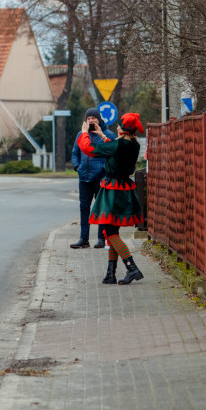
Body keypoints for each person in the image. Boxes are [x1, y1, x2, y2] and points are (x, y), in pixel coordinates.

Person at [75, 113, 146, 285]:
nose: (117, 127)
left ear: (124, 129)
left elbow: (89, 149)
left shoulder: (118, 145)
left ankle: (131, 267)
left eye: (120, 125)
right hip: (124, 188)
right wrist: (102, 135)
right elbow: (115, 149)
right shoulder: (133, 144)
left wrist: (85, 133)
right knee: (111, 232)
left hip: (113, 190)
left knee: (110, 232)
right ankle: (110, 274)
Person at [70, 107, 117, 249]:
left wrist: (105, 171)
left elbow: (113, 155)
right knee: (84, 208)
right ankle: (84, 238)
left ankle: (101, 238)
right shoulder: (80, 135)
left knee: (101, 208)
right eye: (88, 118)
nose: (91, 121)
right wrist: (77, 167)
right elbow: (75, 153)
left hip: (101, 178)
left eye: (93, 118)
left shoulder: (108, 134)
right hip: (84, 177)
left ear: (99, 119)